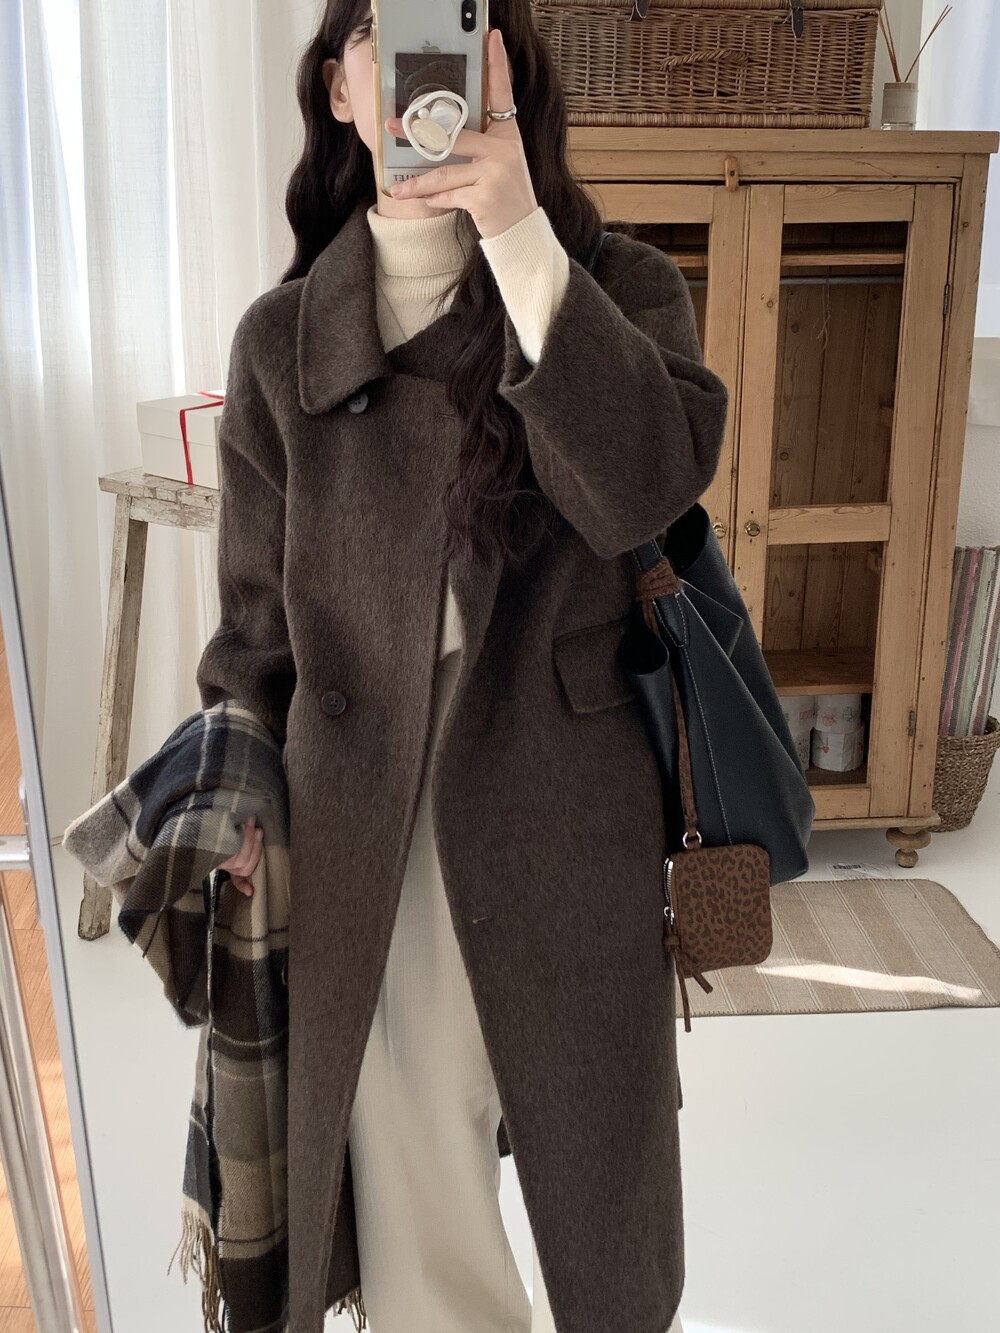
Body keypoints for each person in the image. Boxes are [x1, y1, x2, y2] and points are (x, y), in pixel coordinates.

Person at [201, 2, 729, 1329]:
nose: (417, 60)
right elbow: (254, 634)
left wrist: (515, 232)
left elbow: (646, 490)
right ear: (339, 88)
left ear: (501, 61)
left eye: (454, 20)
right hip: (366, 818)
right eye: (382, 30)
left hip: (564, 796)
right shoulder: (282, 339)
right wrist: (239, 799)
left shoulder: (616, 284)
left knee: (597, 1178)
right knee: (416, 1198)